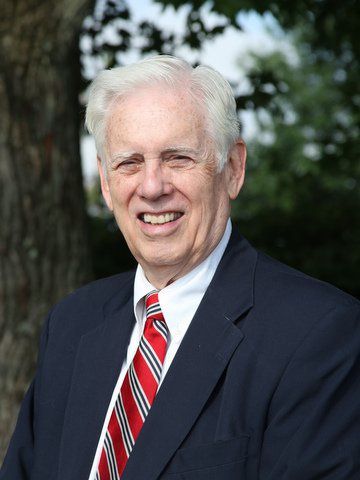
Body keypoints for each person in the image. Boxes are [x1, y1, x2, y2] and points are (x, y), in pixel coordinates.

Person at [1, 55, 359, 480]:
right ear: (105, 182)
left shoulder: (320, 333)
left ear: (233, 169)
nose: (152, 187)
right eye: (129, 162)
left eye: (177, 158)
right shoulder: (72, 323)